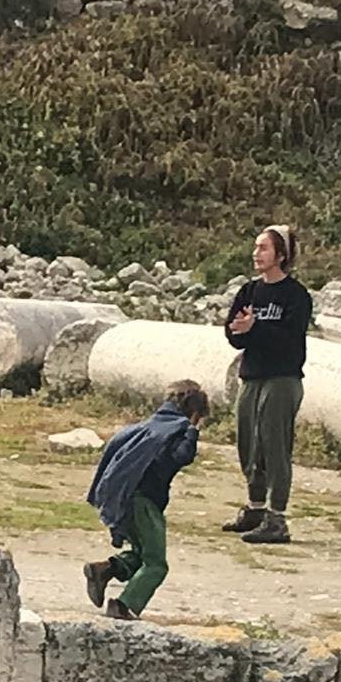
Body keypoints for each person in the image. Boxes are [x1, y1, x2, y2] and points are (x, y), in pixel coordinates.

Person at [83, 380, 210, 621]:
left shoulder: (148, 426)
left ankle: (104, 570)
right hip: (145, 501)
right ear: (195, 413)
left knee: (141, 552)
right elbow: (180, 457)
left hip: (124, 497)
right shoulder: (178, 429)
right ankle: (124, 605)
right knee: (155, 563)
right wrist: (193, 431)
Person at [221, 225, 311, 546]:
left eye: (264, 248)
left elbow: (289, 339)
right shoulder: (249, 291)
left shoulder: (296, 295)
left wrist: (255, 328)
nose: (256, 253)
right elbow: (233, 333)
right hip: (252, 375)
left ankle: (277, 518)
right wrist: (240, 329)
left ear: (281, 255)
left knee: (274, 446)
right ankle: (255, 508)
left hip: (282, 378)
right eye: (256, 247)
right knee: (249, 444)